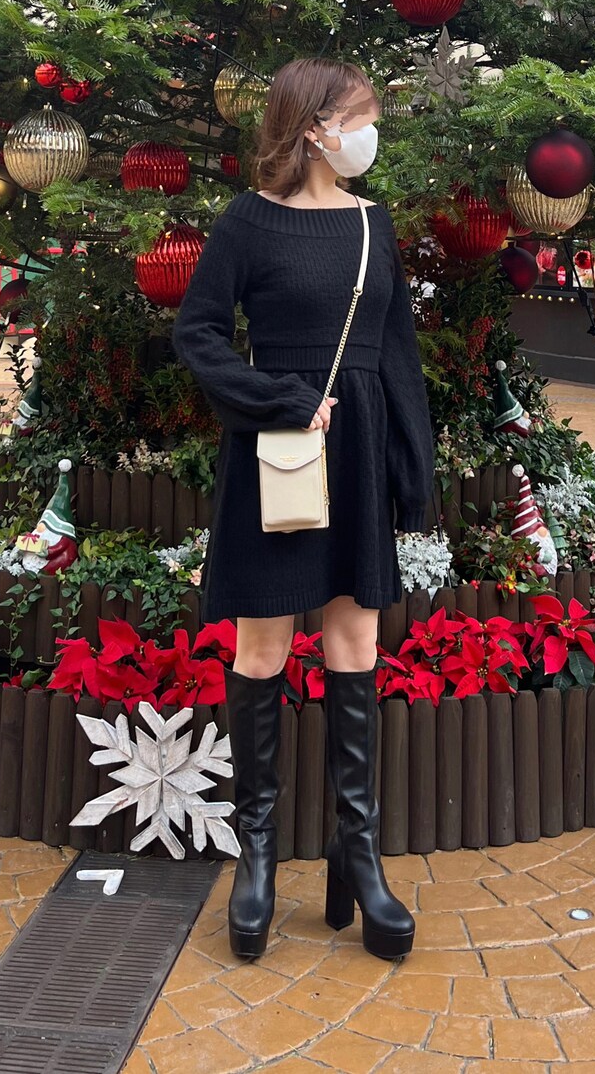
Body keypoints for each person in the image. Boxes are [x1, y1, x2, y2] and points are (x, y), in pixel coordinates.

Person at [171, 57, 435, 963]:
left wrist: (411, 473)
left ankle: (357, 855)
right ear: (316, 127)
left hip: (357, 453)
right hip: (278, 456)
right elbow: (198, 331)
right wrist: (277, 399)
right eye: (360, 116)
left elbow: (396, 354)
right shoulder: (247, 221)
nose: (371, 133)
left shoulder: (371, 223)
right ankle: (256, 855)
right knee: (264, 648)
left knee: (355, 642)